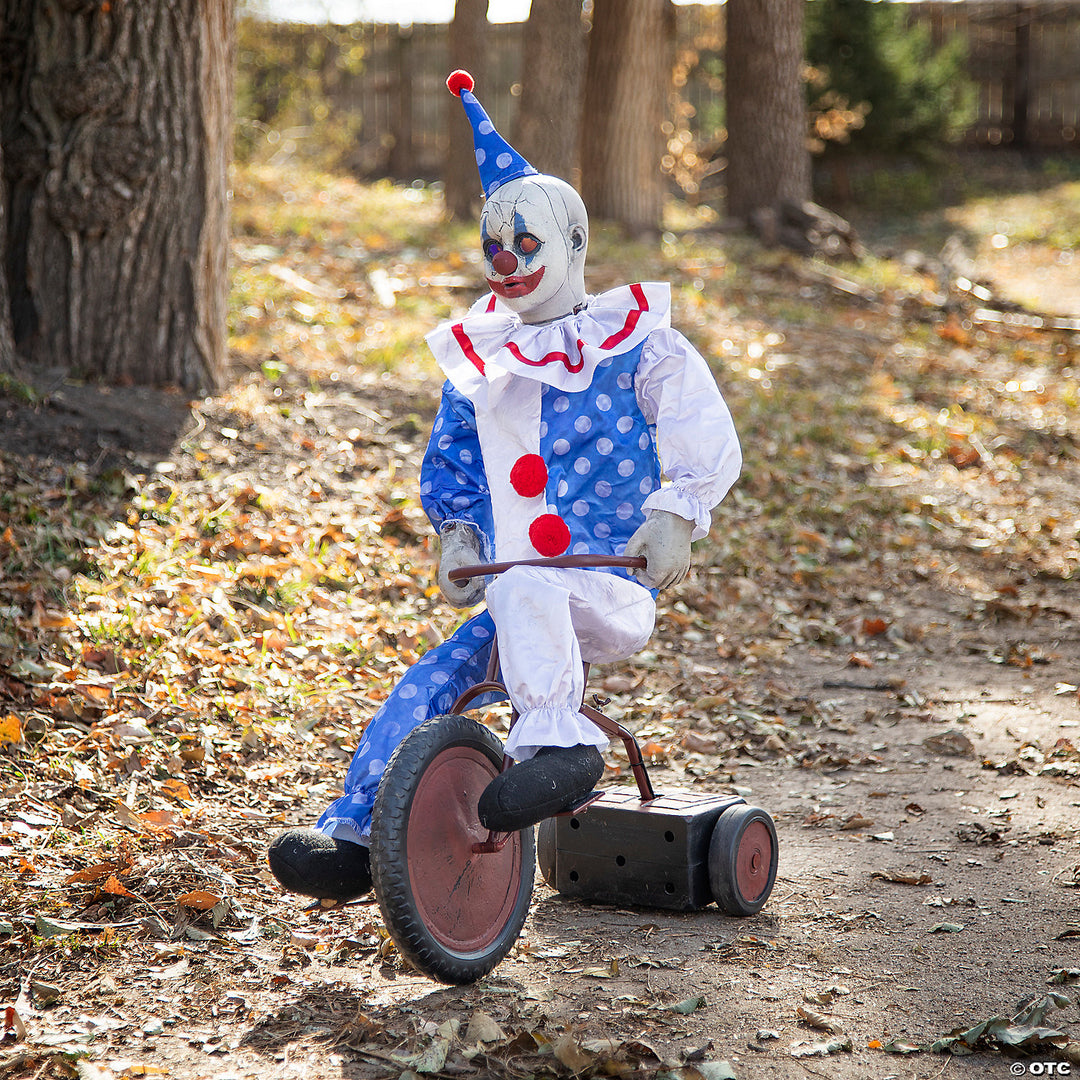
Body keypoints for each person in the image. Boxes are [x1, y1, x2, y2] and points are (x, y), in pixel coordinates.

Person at [268, 71, 741, 903]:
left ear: (575, 242)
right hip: (518, 592)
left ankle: (560, 747)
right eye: (494, 247)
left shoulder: (636, 345)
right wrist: (458, 535)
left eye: (527, 244)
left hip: (608, 582)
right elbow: (453, 464)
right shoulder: (482, 364)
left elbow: (702, 431)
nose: (508, 262)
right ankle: (355, 833)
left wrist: (678, 509)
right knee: (432, 676)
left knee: (527, 580)